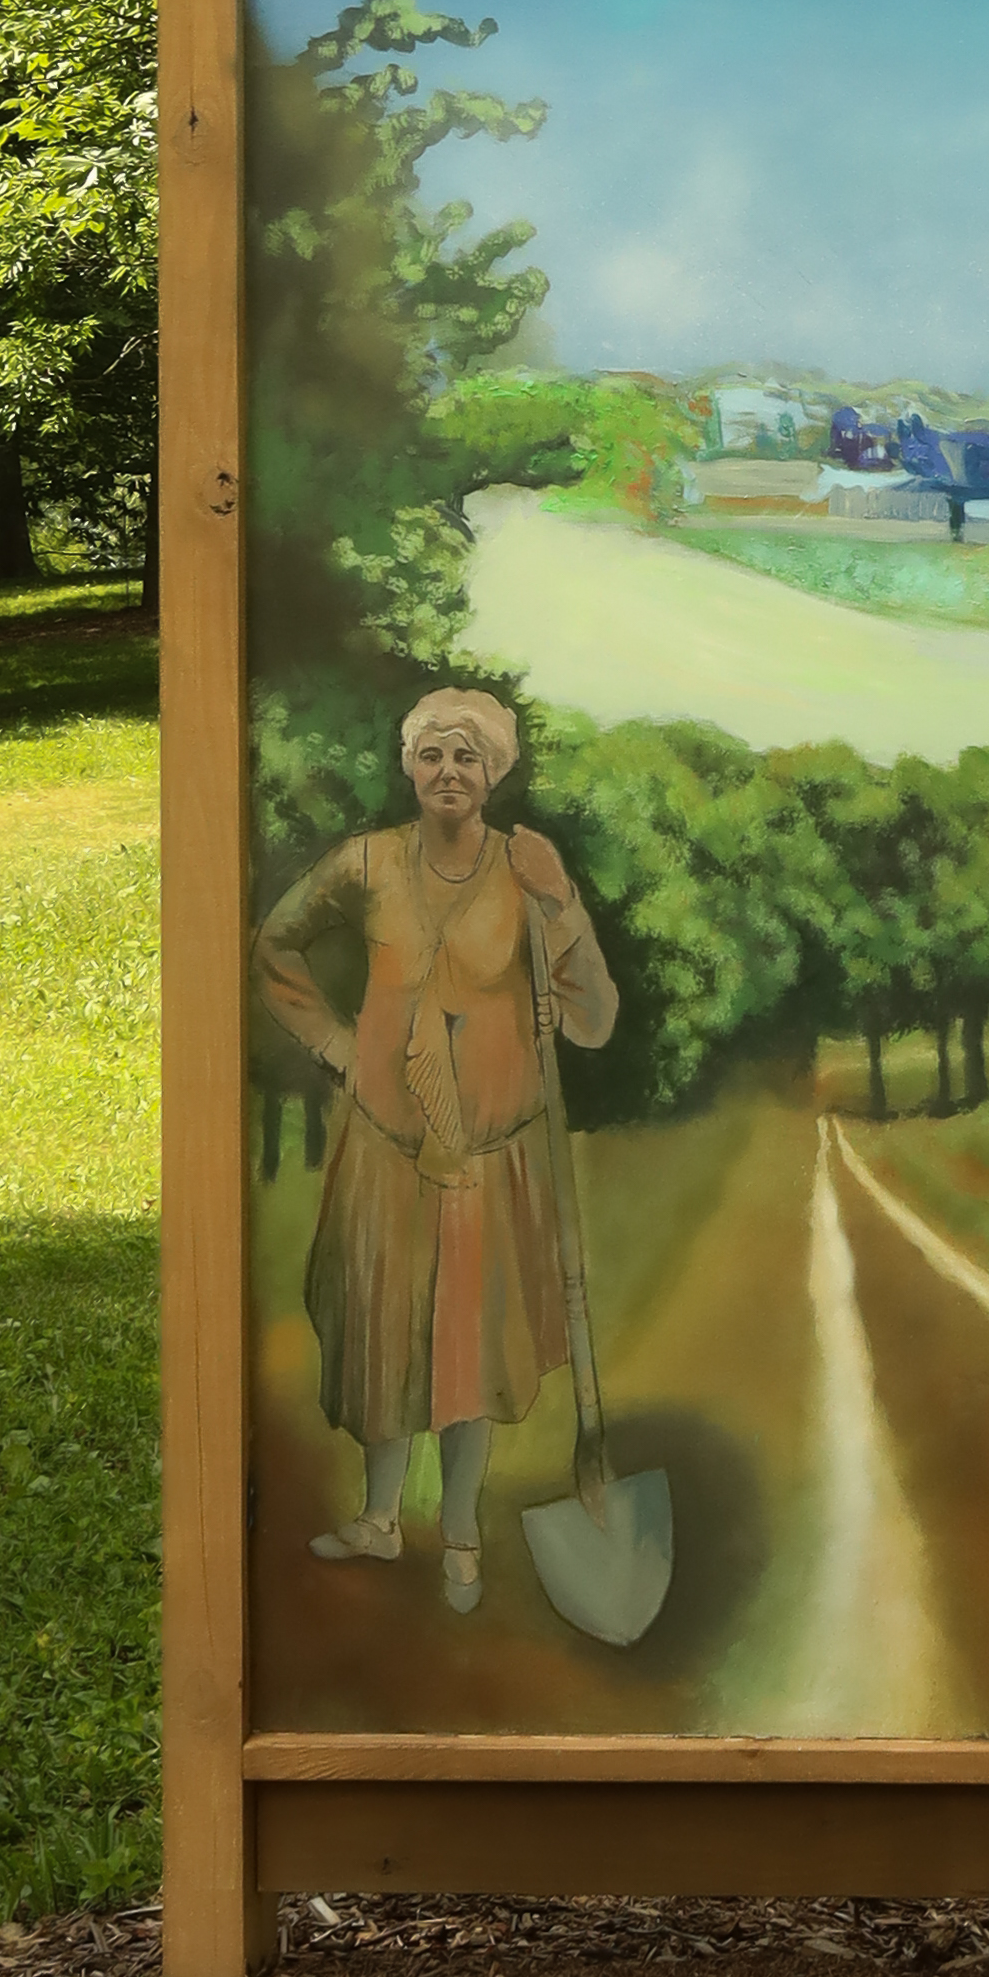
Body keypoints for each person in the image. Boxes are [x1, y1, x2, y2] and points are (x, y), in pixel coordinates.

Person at [253, 685, 618, 1609]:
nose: (448, 771)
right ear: (409, 766)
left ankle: (460, 1535)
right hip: (384, 1145)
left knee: (467, 1346)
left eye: (467, 756)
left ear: (494, 772)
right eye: (431, 754)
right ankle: (379, 1520)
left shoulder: (527, 870)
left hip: (489, 1156)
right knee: (383, 1330)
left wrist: (563, 900)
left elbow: (594, 1022)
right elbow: (276, 945)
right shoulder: (367, 862)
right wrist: (336, 1045)